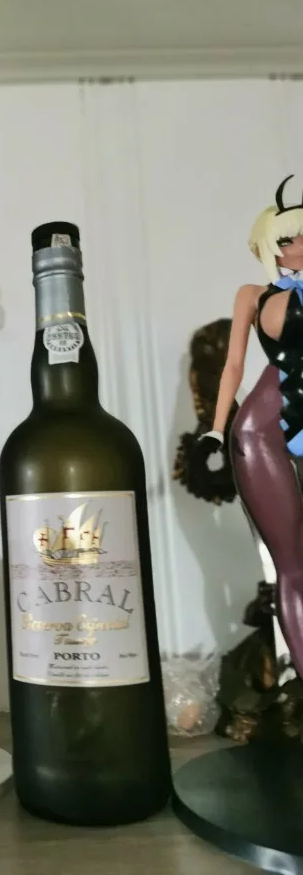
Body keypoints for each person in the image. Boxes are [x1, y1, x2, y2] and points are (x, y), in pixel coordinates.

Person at [189, 175, 303, 681]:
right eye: (288, 239)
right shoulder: (253, 295)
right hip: (261, 432)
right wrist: (215, 430)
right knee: (293, 565)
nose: (299, 245)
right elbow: (233, 366)